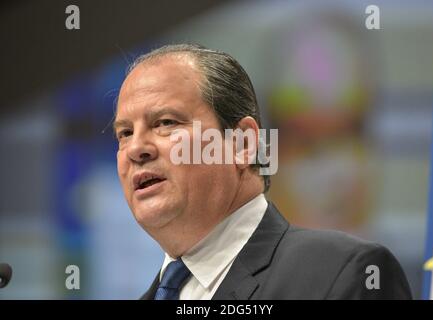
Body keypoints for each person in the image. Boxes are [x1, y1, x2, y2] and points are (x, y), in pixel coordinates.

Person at [113, 43, 412, 300]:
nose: (136, 148)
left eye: (165, 123)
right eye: (124, 133)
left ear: (243, 143)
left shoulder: (344, 274)